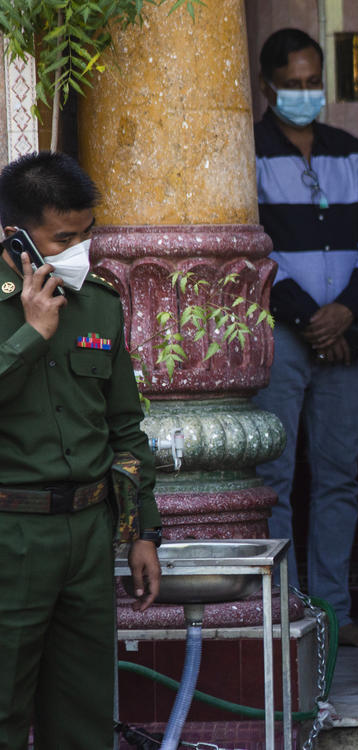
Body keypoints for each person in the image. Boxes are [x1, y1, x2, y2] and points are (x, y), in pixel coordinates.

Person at [0, 151, 161, 748]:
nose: (78, 250)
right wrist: (30, 335)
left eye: (86, 234)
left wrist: (144, 531)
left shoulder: (98, 303)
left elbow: (126, 429)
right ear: (17, 237)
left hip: (89, 535)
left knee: (84, 717)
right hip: (12, 533)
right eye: (62, 238)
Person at [252, 28, 358, 647]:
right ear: (268, 86)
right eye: (295, 84)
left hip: (343, 331)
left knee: (340, 475)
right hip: (283, 335)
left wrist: (346, 312)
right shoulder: (246, 150)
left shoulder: (346, 149)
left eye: (315, 84)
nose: (307, 94)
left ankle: (333, 613)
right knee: (273, 476)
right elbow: (255, 249)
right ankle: (283, 612)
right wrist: (312, 319)